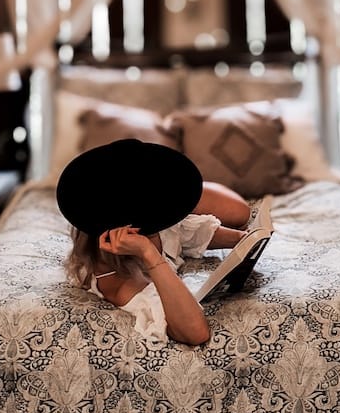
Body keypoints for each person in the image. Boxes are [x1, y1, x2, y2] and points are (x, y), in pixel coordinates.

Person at [56, 138, 250, 346]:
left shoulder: (157, 226)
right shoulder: (119, 282)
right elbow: (196, 333)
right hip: (133, 242)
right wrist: (149, 254)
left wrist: (246, 240)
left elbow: (187, 234)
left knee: (241, 213)